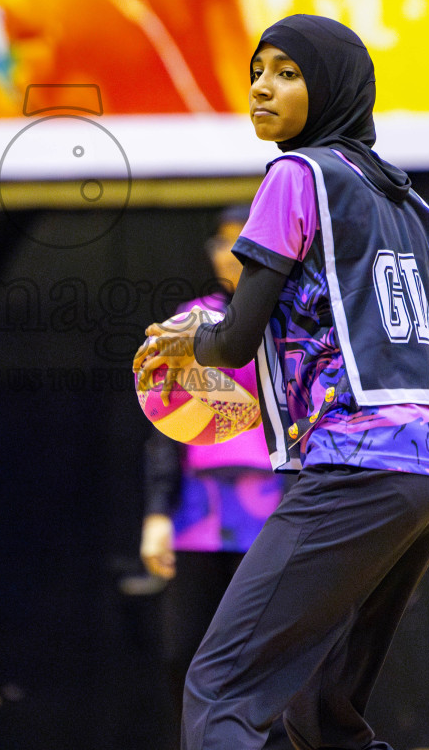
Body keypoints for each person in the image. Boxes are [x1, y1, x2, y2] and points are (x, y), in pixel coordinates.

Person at [134, 15, 429, 750]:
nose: (261, 85)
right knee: (323, 715)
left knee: (220, 690)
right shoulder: (415, 210)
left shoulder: (297, 174)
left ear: (335, 88)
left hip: (357, 465)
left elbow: (235, 338)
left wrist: (194, 339)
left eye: (287, 72)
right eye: (258, 69)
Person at [139, 206, 293, 750]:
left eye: (241, 241)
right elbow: (165, 427)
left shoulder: (296, 319)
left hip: (277, 510)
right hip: (201, 515)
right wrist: (158, 513)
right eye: (221, 242)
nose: (229, 254)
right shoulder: (195, 320)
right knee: (188, 648)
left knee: (270, 652)